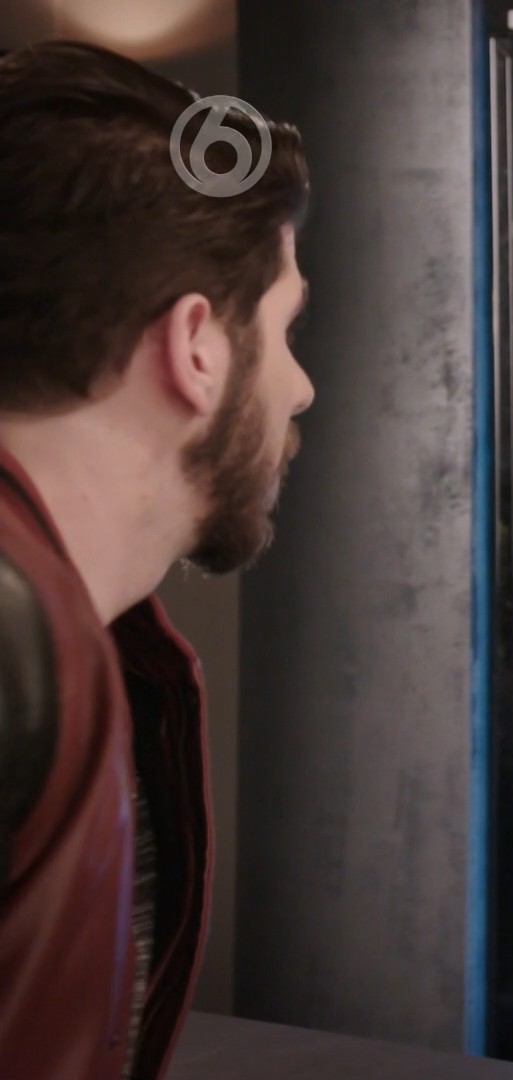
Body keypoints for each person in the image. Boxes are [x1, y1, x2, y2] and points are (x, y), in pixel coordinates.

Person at [0, 41, 312, 1079]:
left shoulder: (68, 628)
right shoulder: (17, 642)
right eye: (285, 328)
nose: (301, 387)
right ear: (197, 348)